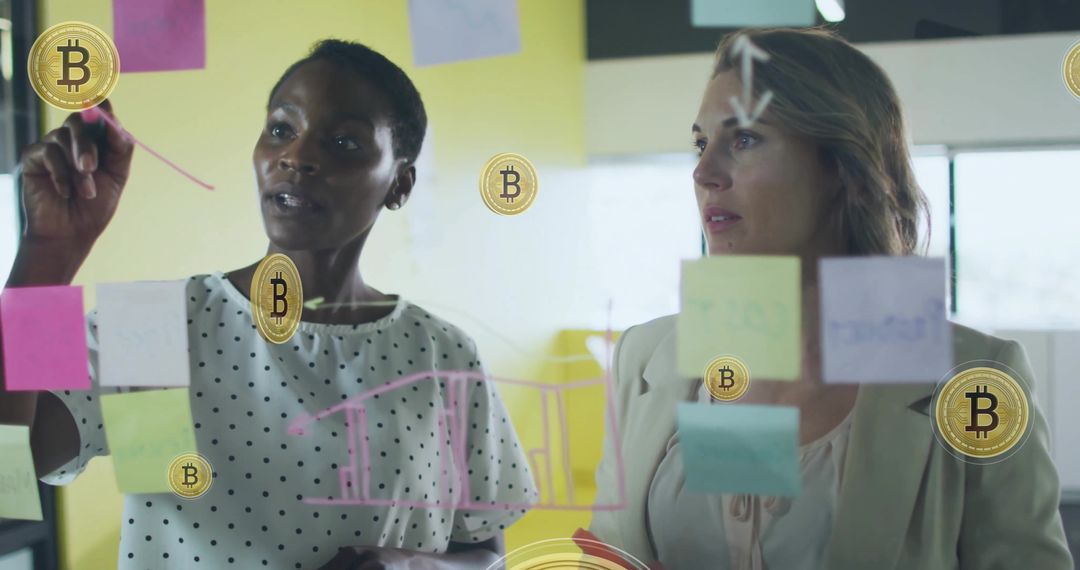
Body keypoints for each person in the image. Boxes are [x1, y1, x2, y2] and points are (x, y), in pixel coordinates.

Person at [0, 39, 535, 569]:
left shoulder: (440, 355)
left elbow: (481, 546)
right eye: (281, 130)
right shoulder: (159, 331)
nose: (297, 157)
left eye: (344, 142)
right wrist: (48, 258)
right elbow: (9, 471)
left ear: (399, 182)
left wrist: (411, 566)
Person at [589, 27, 1073, 570]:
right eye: (702, 143)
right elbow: (611, 552)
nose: (704, 173)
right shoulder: (644, 357)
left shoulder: (976, 377)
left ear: (846, 168)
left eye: (744, 138)